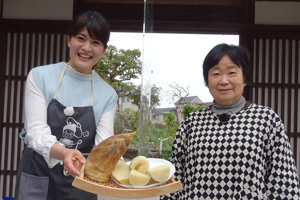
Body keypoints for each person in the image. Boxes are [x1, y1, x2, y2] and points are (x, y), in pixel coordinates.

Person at [160, 43, 300, 199]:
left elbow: (283, 182)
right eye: (216, 73)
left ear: (245, 78)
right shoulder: (191, 123)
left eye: (232, 72)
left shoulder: (266, 119)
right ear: (207, 80)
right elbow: (172, 179)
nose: (224, 81)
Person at [14, 11, 118, 200]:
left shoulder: (108, 94)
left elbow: (102, 147)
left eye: (96, 42)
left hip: (80, 179)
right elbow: (36, 131)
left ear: (103, 50)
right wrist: (64, 153)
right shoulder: (40, 77)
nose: (87, 48)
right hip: (37, 172)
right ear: (69, 39)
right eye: (81, 38)